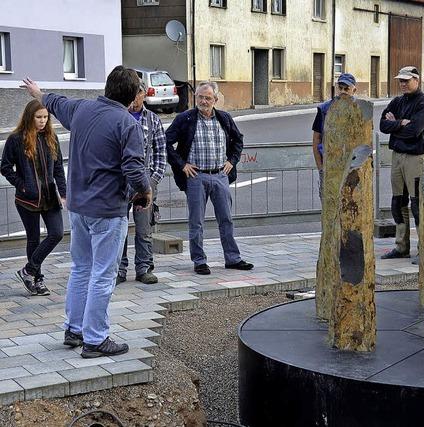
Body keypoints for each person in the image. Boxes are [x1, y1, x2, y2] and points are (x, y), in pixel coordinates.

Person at [21, 66, 151, 359]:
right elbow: (133, 168)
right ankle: (95, 339)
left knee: (81, 269)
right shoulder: (127, 123)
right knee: (103, 275)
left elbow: (54, 101)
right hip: (107, 210)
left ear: (107, 88)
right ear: (132, 97)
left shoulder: (81, 110)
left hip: (78, 208)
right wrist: (146, 191)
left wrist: (38, 92)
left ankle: (74, 329)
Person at [166, 81, 253, 274]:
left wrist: (232, 160)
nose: (203, 101)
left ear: (215, 99)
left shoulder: (224, 118)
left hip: (220, 175)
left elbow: (238, 140)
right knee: (196, 222)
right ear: (195, 97)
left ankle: (233, 258)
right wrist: (182, 165)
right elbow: (165, 142)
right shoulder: (185, 119)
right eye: (200, 97)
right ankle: (199, 260)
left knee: (226, 219)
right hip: (196, 177)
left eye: (207, 98)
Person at [1, 100, 66, 297]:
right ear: (30, 117)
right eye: (39, 117)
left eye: (45, 117)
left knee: (57, 233)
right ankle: (37, 280)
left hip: (49, 196)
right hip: (26, 199)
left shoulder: (51, 138)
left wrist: (63, 193)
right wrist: (22, 184)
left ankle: (28, 271)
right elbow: (5, 166)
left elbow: (58, 169)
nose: (42, 121)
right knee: (34, 239)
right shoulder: (16, 139)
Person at [379, 66, 424, 260]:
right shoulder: (397, 101)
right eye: (400, 80)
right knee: (397, 201)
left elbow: (415, 131)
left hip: (415, 157)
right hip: (398, 156)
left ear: (417, 81)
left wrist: (395, 125)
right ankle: (401, 247)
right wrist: (401, 123)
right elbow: (382, 125)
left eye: (407, 80)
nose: (402, 84)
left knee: (418, 204)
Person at [117, 80, 167, 285]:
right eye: (132, 93)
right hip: (119, 179)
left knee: (144, 227)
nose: (134, 98)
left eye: (138, 93)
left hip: (145, 178)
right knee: (119, 227)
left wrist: (154, 179)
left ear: (143, 95)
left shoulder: (153, 119)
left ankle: (144, 267)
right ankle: (119, 269)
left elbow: (160, 151)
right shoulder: (119, 117)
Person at [311, 73, 357, 199]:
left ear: (354, 90)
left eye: (346, 88)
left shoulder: (359, 109)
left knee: (351, 205)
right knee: (329, 205)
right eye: (340, 88)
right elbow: (316, 139)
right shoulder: (324, 109)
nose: (342, 91)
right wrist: (320, 168)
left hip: (352, 167)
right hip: (329, 166)